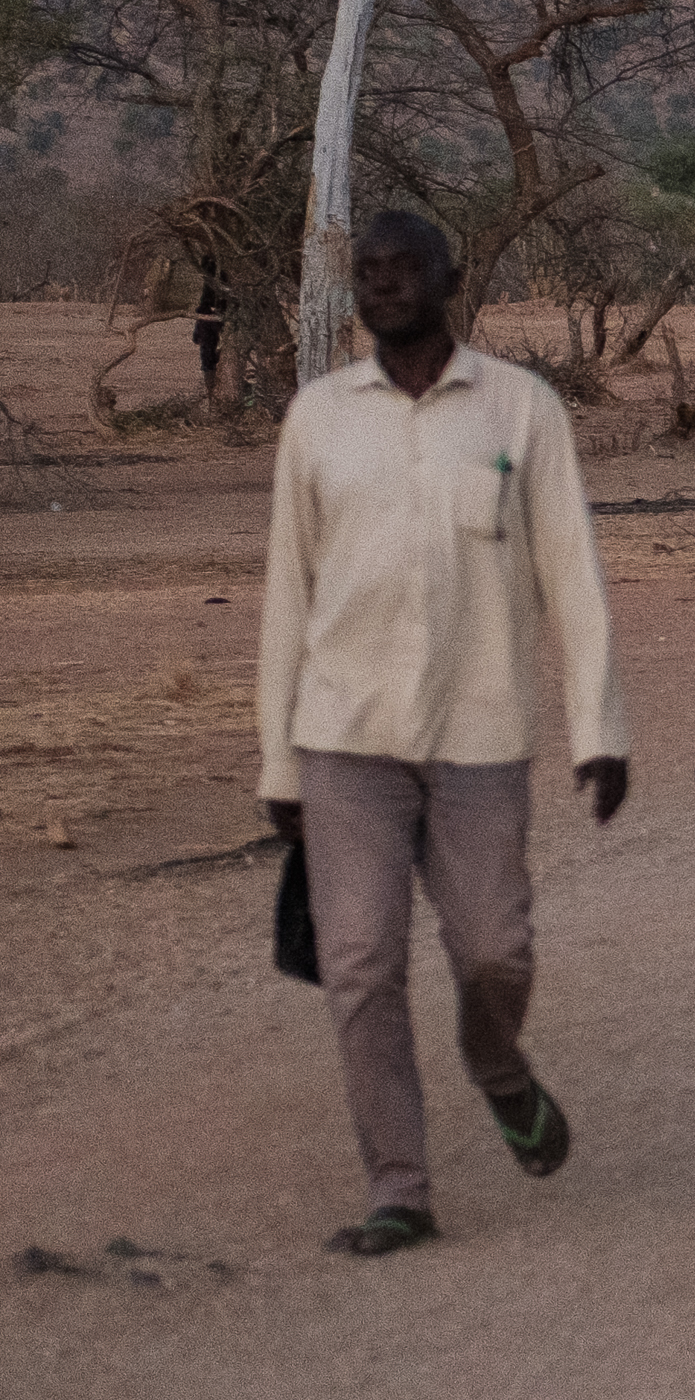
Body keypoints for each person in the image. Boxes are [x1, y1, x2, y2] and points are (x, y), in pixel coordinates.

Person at [257, 211, 627, 1258]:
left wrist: (598, 726)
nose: (383, 287)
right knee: (362, 964)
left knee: (495, 953)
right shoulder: (319, 419)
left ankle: (499, 1070)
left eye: (402, 269)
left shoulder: (520, 409)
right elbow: (289, 591)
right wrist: (278, 758)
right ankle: (400, 1188)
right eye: (365, 273)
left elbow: (572, 576)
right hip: (346, 736)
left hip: (480, 730)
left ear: (447, 278)